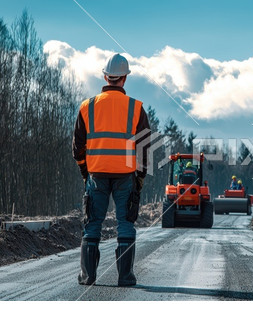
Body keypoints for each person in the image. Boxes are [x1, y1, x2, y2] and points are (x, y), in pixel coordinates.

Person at [73, 53, 150, 286]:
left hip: (96, 174)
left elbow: (78, 147)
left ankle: (88, 276)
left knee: (93, 223)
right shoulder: (136, 108)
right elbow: (144, 148)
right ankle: (125, 277)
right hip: (125, 175)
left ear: (106, 76)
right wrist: (140, 177)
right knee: (125, 223)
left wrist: (86, 172)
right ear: (124, 79)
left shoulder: (87, 107)